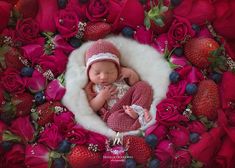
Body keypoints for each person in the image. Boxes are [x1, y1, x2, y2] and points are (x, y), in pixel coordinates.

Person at [84, 39, 153, 132]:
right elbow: (91, 107)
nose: (103, 77)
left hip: (131, 101)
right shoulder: (92, 87)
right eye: (97, 73)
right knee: (112, 122)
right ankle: (140, 121)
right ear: (88, 72)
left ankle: (138, 110)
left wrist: (131, 74)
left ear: (117, 69)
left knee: (143, 86)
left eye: (109, 72)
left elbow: (134, 84)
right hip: (114, 112)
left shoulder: (121, 75)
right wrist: (102, 97)